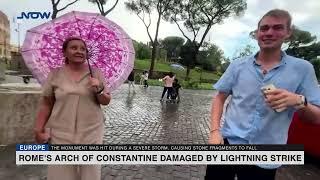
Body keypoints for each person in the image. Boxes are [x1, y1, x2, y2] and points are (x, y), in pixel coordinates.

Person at [205, 9, 320, 180]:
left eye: (277, 28)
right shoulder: (237, 65)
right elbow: (220, 97)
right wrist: (215, 131)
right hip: (228, 144)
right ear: (257, 33)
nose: (269, 33)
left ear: (288, 33)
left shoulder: (303, 69)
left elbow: (316, 117)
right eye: (264, 28)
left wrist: (298, 101)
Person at [34, 37, 111, 180]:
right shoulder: (55, 74)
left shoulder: (96, 73)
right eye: (74, 47)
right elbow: (46, 103)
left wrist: (99, 88)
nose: (79, 51)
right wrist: (38, 129)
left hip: (91, 132)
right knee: (60, 174)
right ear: (64, 52)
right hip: (60, 132)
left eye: (83, 49)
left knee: (90, 174)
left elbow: (106, 100)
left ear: (87, 53)